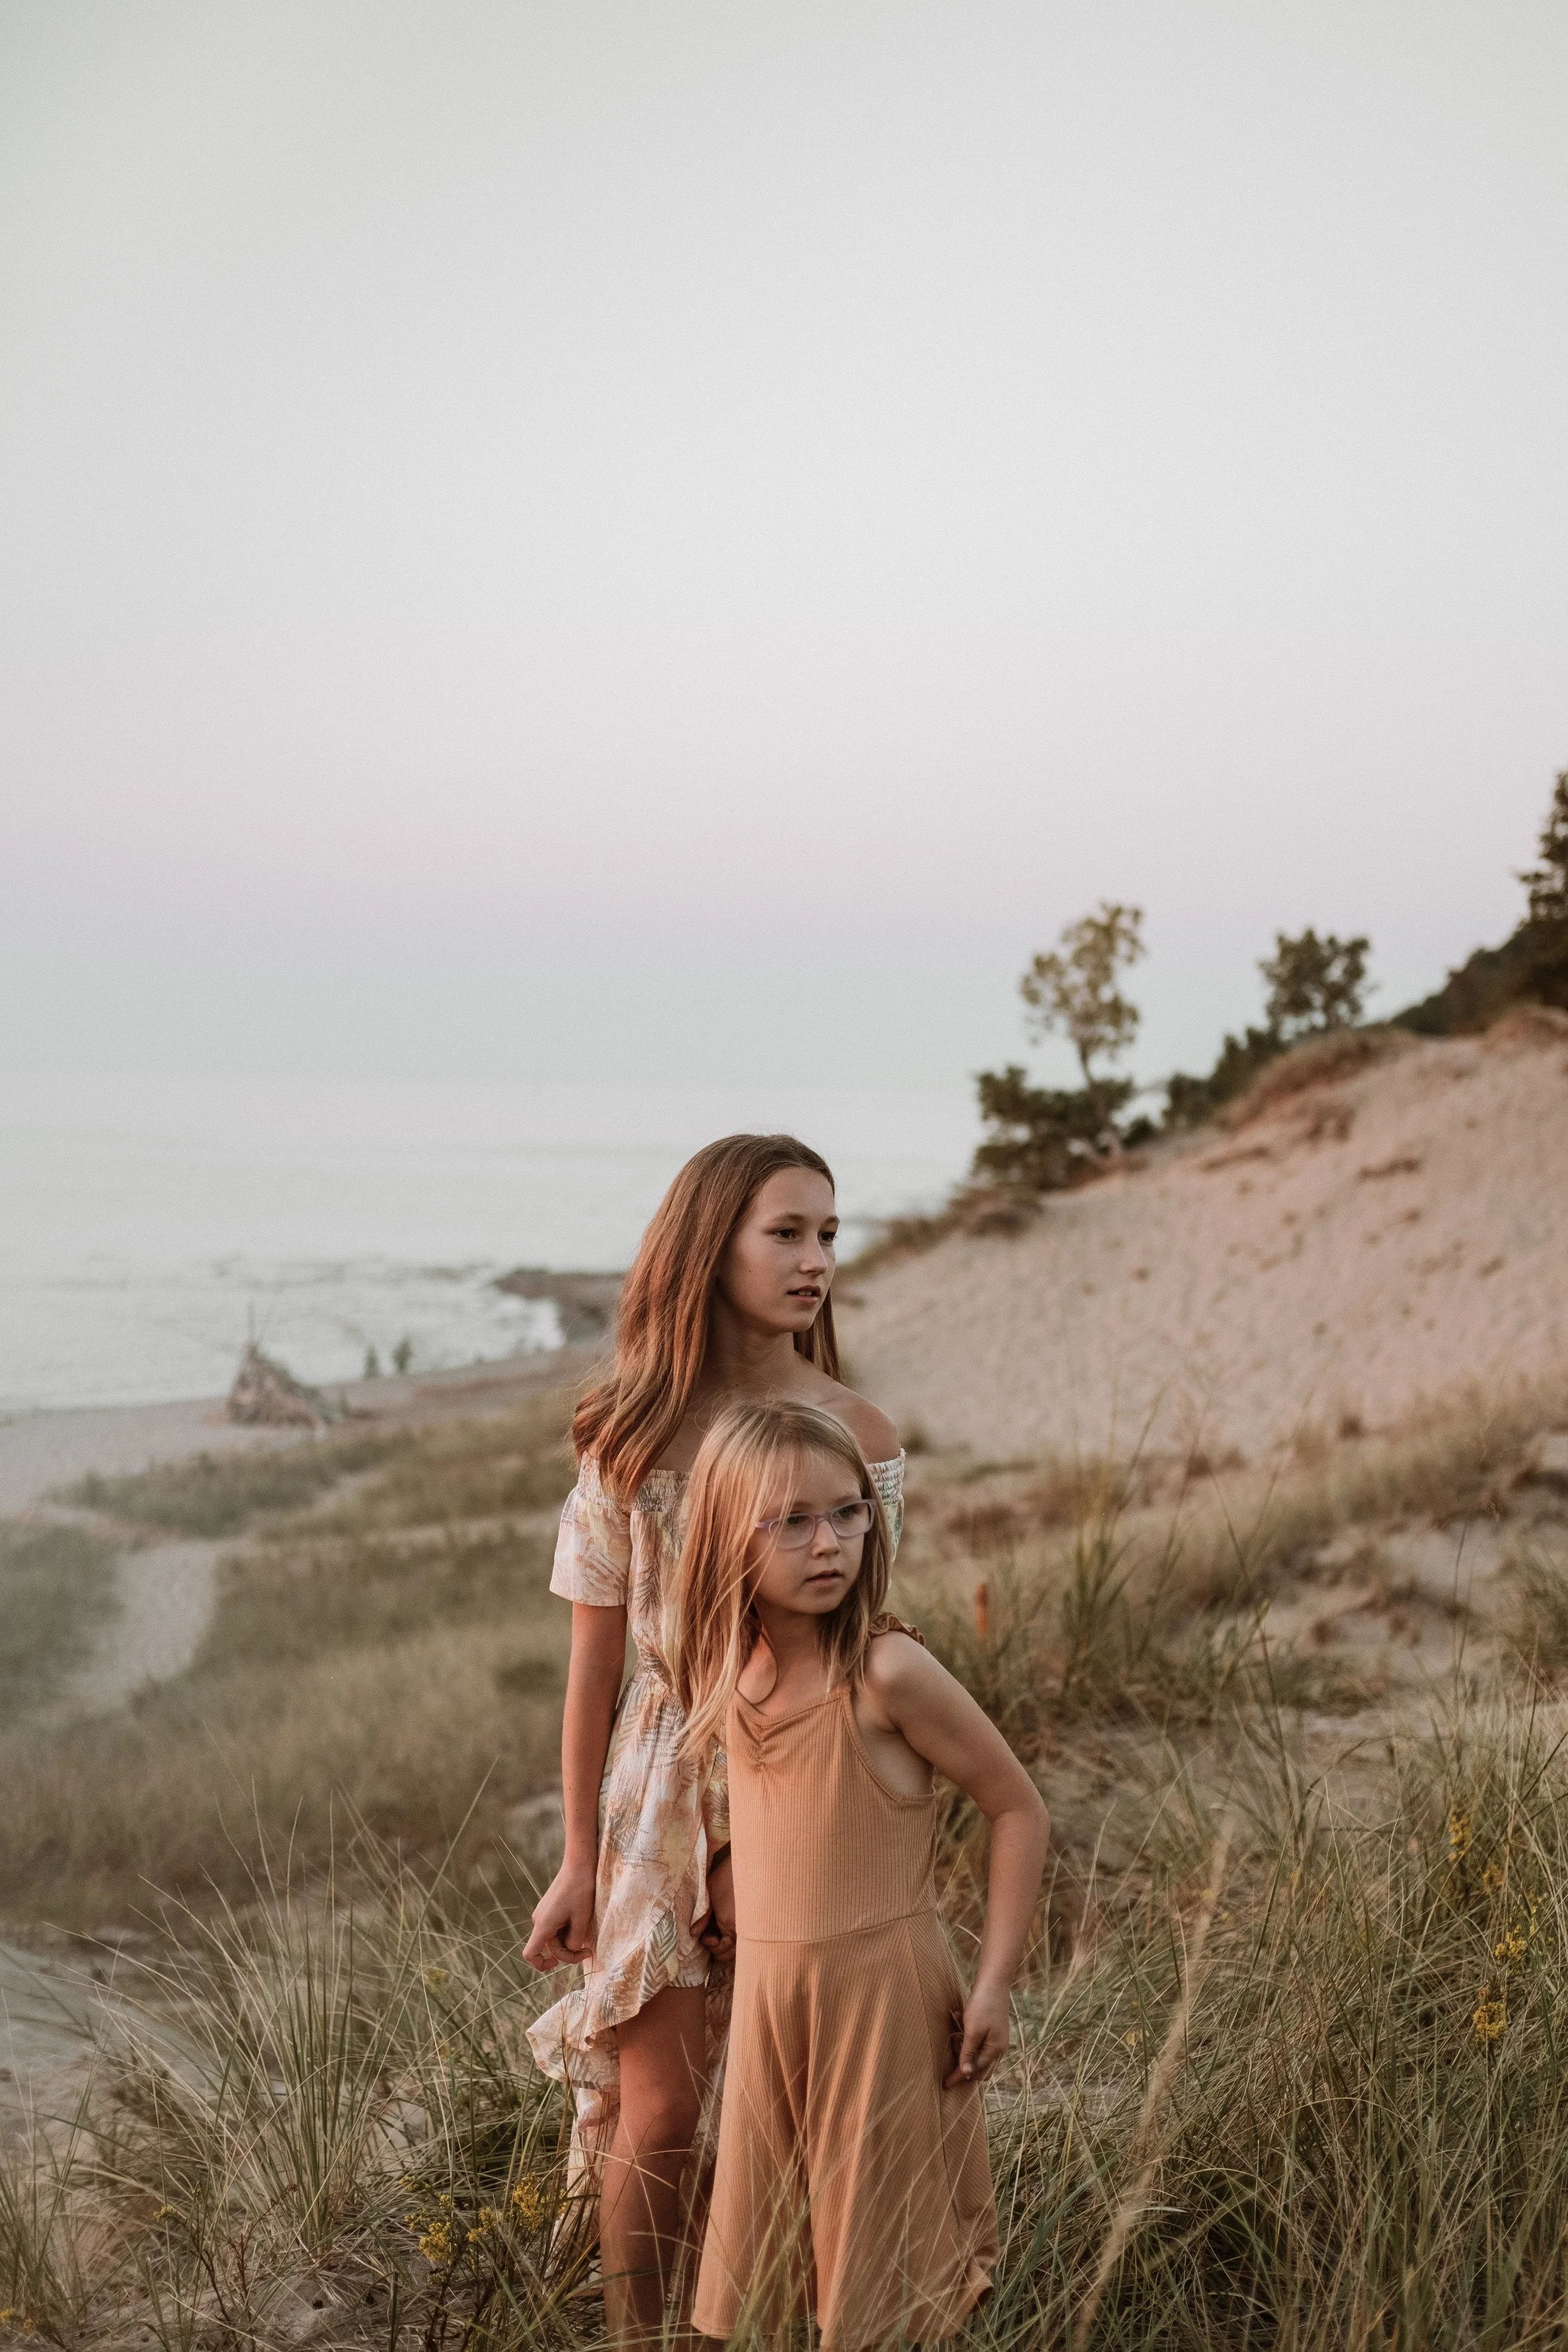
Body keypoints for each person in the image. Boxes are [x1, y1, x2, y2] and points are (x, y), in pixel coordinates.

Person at [522, 1134, 903, 2345]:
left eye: (829, 1234)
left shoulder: (855, 1427)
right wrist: (581, 1855)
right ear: (710, 1244)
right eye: (785, 1232)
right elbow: (596, 1663)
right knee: (663, 2107)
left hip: (797, 1771)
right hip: (651, 1791)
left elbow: (864, 1640)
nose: (816, 1260)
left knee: (777, 2105)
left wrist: (762, 1829)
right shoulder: (629, 1430)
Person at [669, 1398, 1050, 2351]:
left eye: (848, 1511)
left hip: (881, 2008)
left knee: (884, 2294)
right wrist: (725, 1880)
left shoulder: (887, 1673)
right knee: (774, 2293)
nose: (827, 1541)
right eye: (790, 1520)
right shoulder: (733, 1675)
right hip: (774, 2011)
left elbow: (1018, 1809)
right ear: (728, 1540)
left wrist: (996, 1981)